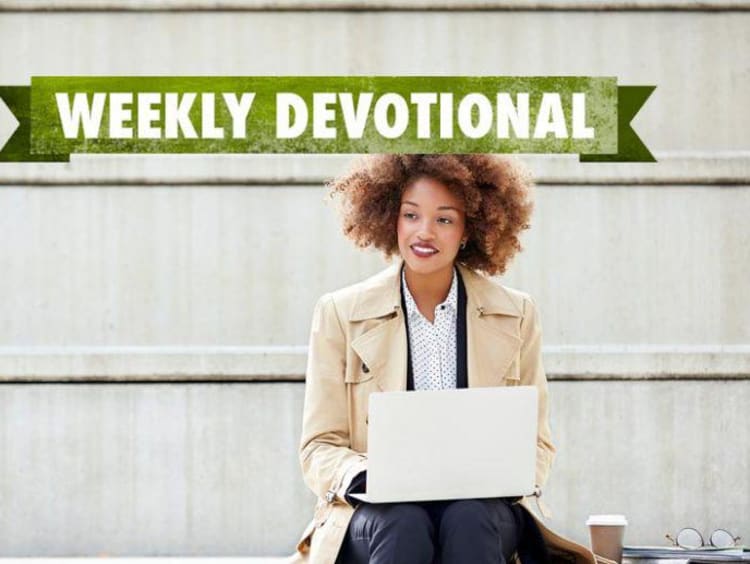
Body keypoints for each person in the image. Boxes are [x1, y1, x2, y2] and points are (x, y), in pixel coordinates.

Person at [293, 155, 591, 564]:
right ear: (389, 219)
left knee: (468, 517)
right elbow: (319, 447)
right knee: (403, 521)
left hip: (479, 507)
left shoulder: (517, 314)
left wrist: (504, 476)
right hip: (375, 513)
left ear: (470, 227)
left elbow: (537, 443)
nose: (424, 232)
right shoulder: (340, 313)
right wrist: (367, 477)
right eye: (411, 215)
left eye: (445, 219)